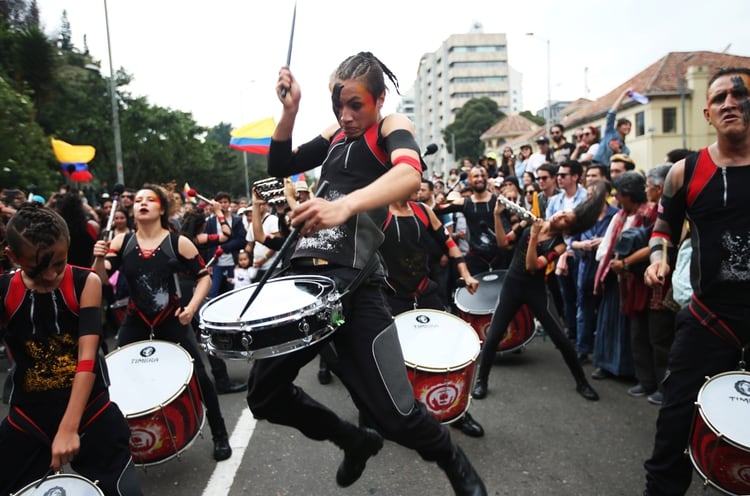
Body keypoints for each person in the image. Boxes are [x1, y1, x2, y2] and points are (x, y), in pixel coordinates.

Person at [246, 52, 487, 495]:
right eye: (339, 105)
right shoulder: (336, 132)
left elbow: (409, 176)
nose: (346, 114)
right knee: (263, 396)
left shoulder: (392, 126)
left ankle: (452, 460)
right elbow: (279, 166)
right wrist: (290, 111)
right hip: (306, 283)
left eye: (356, 104)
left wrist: (345, 205)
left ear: (378, 98)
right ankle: (352, 439)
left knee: (395, 414)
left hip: (357, 287)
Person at [642, 67, 750, 496]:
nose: (728, 103)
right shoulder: (685, 172)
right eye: (719, 97)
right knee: (673, 428)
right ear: (707, 113)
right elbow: (662, 229)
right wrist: (657, 260)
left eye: (737, 94)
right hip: (708, 321)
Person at [0, 204, 142, 495]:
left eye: (58, 263)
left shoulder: (84, 282)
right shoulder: (5, 291)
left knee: (122, 489)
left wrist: (68, 427)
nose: (51, 275)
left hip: (90, 408)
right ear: (12, 257)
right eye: (37, 268)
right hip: (30, 415)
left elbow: (87, 358)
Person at [92, 185, 233, 461]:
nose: (142, 203)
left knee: (200, 376)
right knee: (115, 378)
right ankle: (120, 445)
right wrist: (98, 257)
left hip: (171, 319)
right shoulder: (122, 242)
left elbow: (204, 276)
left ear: (162, 208)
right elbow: (99, 280)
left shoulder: (178, 242)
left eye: (150, 200)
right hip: (136, 320)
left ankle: (220, 435)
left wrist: (191, 309)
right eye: (138, 200)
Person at [471, 181, 608, 402]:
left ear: (568, 229)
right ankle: (481, 382)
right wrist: (497, 216)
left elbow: (532, 266)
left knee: (561, 339)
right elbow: (503, 243)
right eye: (562, 212)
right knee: (493, 336)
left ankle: (582, 382)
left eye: (565, 219)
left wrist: (534, 237)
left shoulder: (560, 245)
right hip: (512, 286)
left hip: (535, 289)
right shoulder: (529, 222)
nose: (559, 216)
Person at [379, 186, 484, 438]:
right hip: (391, 297)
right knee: (387, 359)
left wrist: (466, 274)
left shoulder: (424, 211)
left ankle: (456, 412)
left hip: (424, 291)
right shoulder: (378, 213)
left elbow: (449, 243)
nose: (416, 185)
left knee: (447, 350)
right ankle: (381, 415)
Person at [591, 172, 656, 381]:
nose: (616, 198)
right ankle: (606, 365)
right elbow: (606, 244)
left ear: (629, 195)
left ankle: (630, 371)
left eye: (619, 193)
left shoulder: (649, 215)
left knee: (634, 331)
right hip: (614, 278)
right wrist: (609, 261)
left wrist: (626, 263)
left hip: (636, 280)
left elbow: (652, 246)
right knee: (608, 324)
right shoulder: (619, 216)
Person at [593, 88, 632, 165]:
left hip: (609, 170)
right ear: (618, 127)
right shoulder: (610, 132)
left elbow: (623, 163)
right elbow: (611, 113)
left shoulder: (625, 149)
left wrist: (617, 151)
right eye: (625, 125)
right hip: (597, 164)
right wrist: (623, 94)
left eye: (630, 126)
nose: (628, 127)